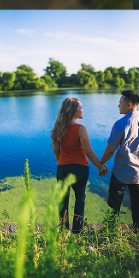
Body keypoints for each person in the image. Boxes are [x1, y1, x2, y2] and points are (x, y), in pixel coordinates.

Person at [50, 96, 108, 234]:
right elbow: (88, 151)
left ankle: (63, 231)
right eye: (80, 107)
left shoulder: (58, 129)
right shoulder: (81, 129)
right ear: (73, 110)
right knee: (80, 198)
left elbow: (55, 149)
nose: (82, 109)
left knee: (63, 200)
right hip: (80, 169)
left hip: (62, 168)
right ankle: (77, 231)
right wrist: (100, 166)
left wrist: (61, 163)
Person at [99, 91, 139, 233]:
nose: (118, 105)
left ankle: (110, 231)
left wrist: (101, 163)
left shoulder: (120, 124)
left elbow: (110, 150)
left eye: (120, 103)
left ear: (129, 105)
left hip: (121, 171)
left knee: (114, 203)